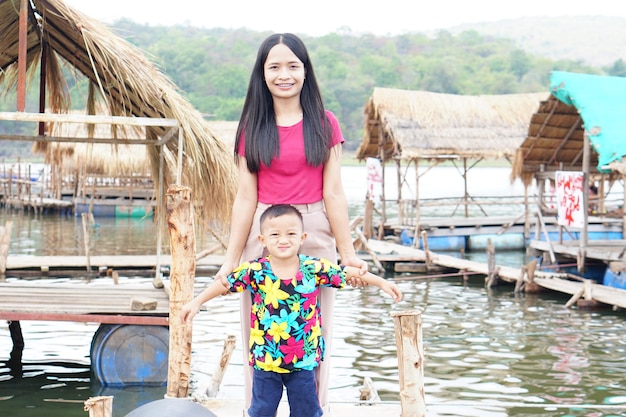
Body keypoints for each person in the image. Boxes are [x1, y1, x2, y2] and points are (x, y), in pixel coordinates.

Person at [215, 32, 369, 415]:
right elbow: (245, 197)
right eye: (274, 67)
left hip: (314, 231)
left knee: (318, 335)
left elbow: (333, 193)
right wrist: (230, 260)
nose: (284, 74)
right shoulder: (252, 126)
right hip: (263, 234)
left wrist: (347, 255)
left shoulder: (325, 123)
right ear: (262, 73)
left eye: (292, 66)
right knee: (259, 334)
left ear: (305, 71)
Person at [181, 204, 402, 417]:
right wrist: (197, 302)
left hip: (303, 360)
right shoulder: (255, 270)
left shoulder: (314, 268)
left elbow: (348, 273)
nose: (283, 240)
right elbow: (225, 284)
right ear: (263, 240)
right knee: (262, 411)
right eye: (275, 235)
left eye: (291, 234)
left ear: (302, 238)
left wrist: (382, 283)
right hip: (266, 360)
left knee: (306, 411)